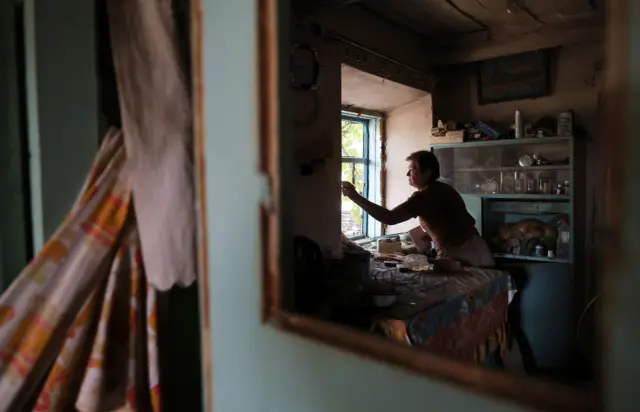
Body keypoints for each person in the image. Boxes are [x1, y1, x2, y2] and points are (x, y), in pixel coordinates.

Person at [341, 150, 494, 267]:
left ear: (426, 172)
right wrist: (432, 234)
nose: (408, 173)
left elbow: (389, 218)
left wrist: (355, 196)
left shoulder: (424, 196)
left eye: (412, 169)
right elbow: (449, 219)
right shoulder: (444, 188)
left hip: (462, 255)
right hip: (479, 250)